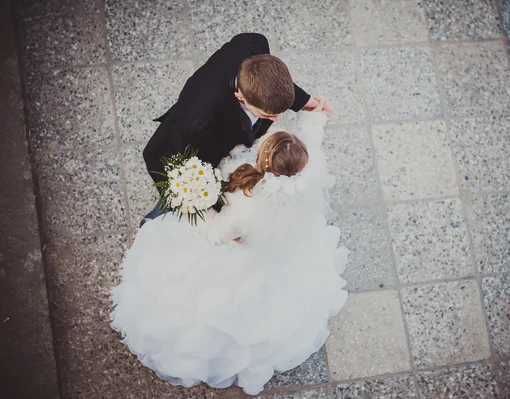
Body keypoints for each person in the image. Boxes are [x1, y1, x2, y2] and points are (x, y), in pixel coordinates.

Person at [110, 102, 347, 395]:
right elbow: (313, 137)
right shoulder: (308, 167)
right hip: (281, 250)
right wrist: (317, 115)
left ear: (265, 161)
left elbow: (217, 233)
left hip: (239, 254)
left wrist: (195, 206)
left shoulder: (246, 208)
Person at [141, 33, 331, 224]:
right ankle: (152, 223)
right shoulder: (196, 123)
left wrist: (303, 101)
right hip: (190, 152)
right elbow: (182, 173)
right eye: (267, 115)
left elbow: (270, 82)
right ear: (241, 96)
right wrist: (217, 216)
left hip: (220, 132)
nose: (276, 119)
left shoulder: (254, 45)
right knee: (177, 201)